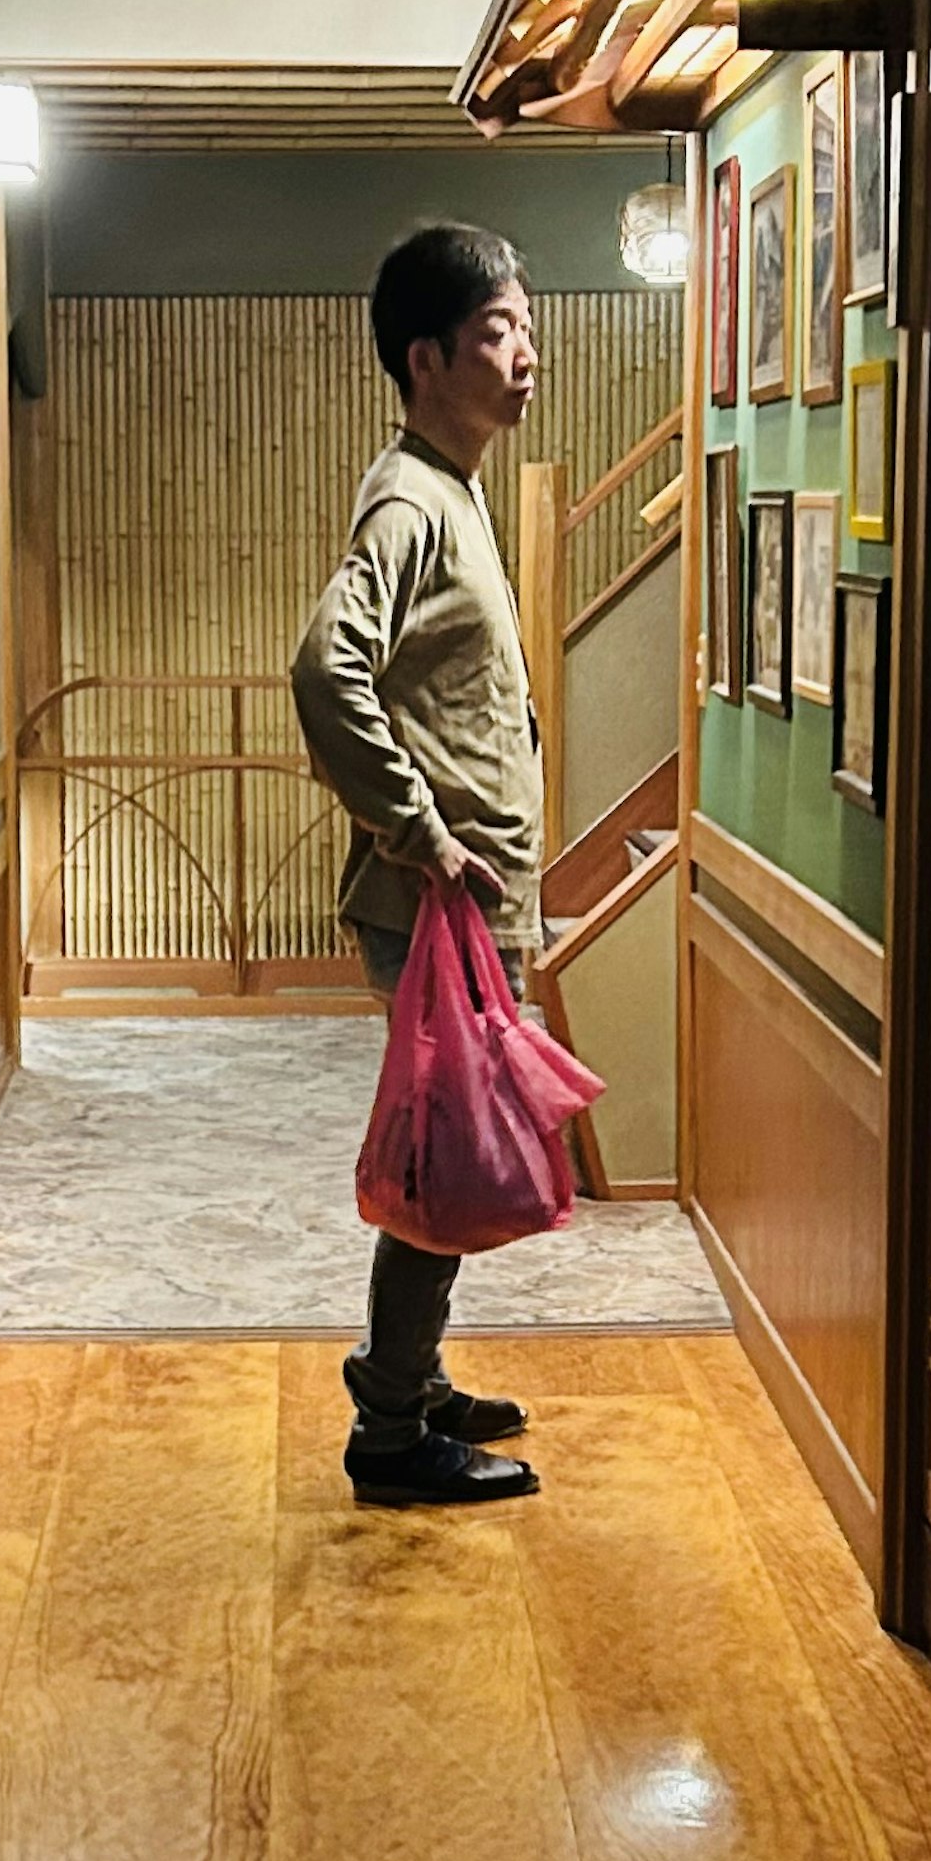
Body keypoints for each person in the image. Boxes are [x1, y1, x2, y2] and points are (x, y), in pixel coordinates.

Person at [290, 221, 552, 1508]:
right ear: (427, 355)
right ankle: (391, 1430)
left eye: (523, 327)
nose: (526, 355)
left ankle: (412, 1371)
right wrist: (423, 828)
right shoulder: (410, 498)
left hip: (460, 909)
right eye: (499, 331)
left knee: (445, 1158)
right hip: (435, 906)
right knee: (438, 1168)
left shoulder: (452, 485)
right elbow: (322, 668)